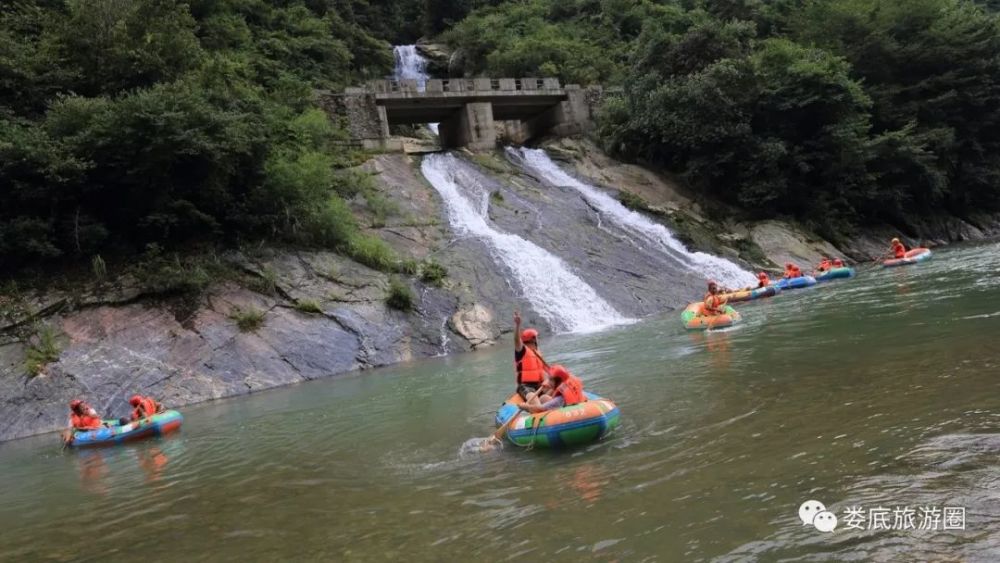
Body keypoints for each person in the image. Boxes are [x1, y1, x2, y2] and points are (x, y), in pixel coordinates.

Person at [513, 311, 550, 400]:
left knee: (551, 393)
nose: (538, 339)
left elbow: (544, 371)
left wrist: (549, 379)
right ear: (533, 339)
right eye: (536, 337)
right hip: (525, 386)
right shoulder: (521, 350)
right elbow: (516, 340)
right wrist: (517, 325)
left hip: (539, 385)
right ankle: (535, 407)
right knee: (532, 397)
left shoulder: (537, 353)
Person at [521, 365, 585, 413]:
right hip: (576, 405)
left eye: (551, 380)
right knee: (543, 398)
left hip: (567, 413)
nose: (549, 382)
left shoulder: (559, 399)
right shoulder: (568, 383)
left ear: (558, 381)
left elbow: (540, 409)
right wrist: (551, 385)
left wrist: (526, 407)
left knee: (535, 406)